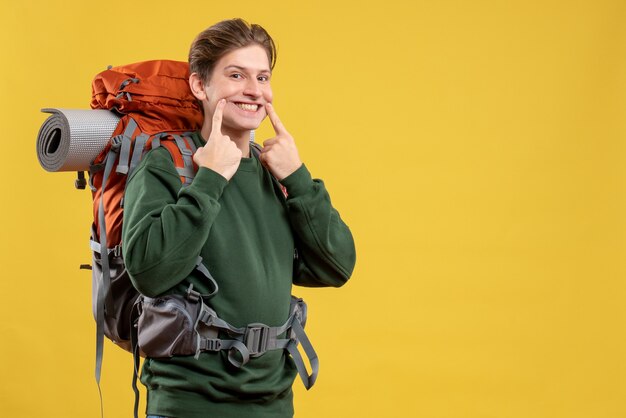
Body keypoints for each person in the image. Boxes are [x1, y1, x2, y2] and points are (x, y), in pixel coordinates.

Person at [122, 18, 356, 418]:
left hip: (273, 404)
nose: (254, 90)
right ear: (200, 86)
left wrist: (298, 177)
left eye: (262, 77)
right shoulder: (169, 164)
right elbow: (149, 272)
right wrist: (210, 178)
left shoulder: (274, 172)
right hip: (188, 405)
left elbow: (338, 266)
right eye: (236, 75)